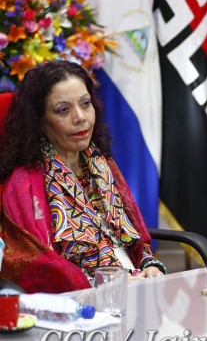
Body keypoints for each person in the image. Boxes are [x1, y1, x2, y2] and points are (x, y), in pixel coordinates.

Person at [0, 61, 165, 294]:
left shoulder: (102, 164)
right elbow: (31, 265)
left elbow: (137, 241)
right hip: (80, 305)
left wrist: (149, 266)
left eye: (86, 104)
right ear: (39, 120)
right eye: (63, 110)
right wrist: (108, 283)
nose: (80, 117)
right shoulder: (24, 183)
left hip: (137, 289)